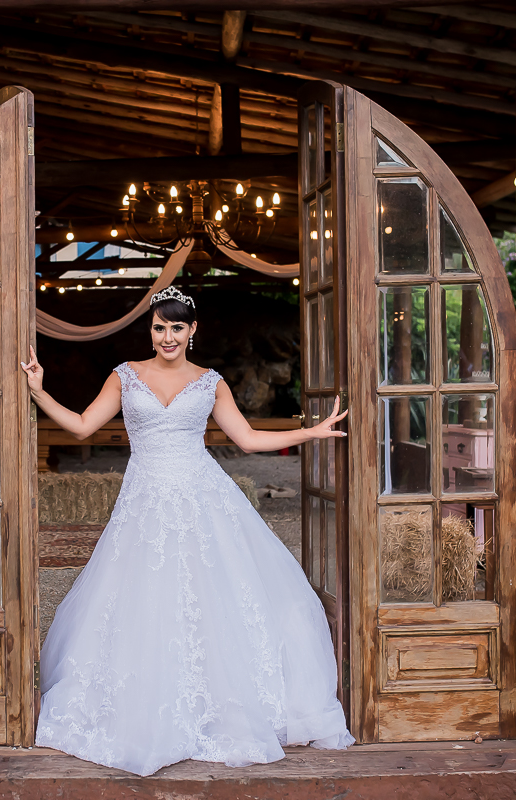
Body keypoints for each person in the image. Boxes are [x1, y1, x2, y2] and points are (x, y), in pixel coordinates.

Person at [20, 286, 353, 777]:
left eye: (177, 327)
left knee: (214, 597)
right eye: (159, 327)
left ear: (193, 331)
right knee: (141, 600)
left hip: (202, 496)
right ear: (150, 331)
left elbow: (247, 438)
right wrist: (38, 389)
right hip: (145, 501)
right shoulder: (125, 376)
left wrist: (310, 433)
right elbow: (82, 427)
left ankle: (219, 705)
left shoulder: (210, 382)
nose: (167, 336)